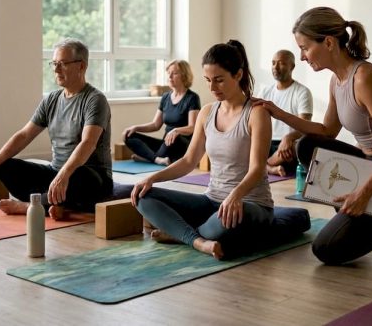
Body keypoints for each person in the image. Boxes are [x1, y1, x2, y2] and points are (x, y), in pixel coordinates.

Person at [254, 7, 372, 265]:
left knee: (326, 249)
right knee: (307, 146)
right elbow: (327, 131)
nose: (303, 57)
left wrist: (363, 194)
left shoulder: (364, 78)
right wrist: (279, 113)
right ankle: (352, 212)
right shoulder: (337, 81)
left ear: (328, 42)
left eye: (305, 48)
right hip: (369, 164)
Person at [131, 40, 310, 260]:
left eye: (219, 80)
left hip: (250, 204)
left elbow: (257, 169)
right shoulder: (207, 112)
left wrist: (235, 196)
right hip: (211, 200)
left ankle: (182, 234)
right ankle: (197, 241)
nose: (212, 88)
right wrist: (152, 178)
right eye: (208, 81)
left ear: (238, 75)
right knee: (143, 196)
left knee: (224, 220)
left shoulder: (256, 113)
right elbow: (189, 161)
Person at [0, 38, 112, 219]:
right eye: (54, 64)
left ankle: (31, 206)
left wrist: (64, 175)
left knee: (78, 176)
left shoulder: (95, 100)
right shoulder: (52, 99)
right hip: (56, 173)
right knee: (6, 165)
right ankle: (59, 204)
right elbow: (24, 134)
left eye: (63, 64)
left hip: (90, 177)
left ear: (81, 66)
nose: (56, 69)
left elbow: (88, 143)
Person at [123, 60, 201, 166]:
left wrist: (176, 130)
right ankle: (157, 159)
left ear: (184, 75)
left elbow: (193, 127)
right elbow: (155, 125)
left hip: (180, 143)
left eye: (174, 73)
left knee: (175, 138)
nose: (170, 76)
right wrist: (135, 127)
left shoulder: (192, 98)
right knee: (129, 136)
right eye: (168, 73)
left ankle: (149, 158)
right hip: (165, 143)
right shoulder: (165, 97)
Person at [258, 50, 313, 176]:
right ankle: (270, 168)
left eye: (281, 63)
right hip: (266, 143)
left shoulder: (302, 92)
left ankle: (262, 166)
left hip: (287, 148)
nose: (275, 67)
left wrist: (288, 137)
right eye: (273, 63)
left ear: (292, 66)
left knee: (299, 145)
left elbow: (306, 125)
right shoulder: (265, 92)